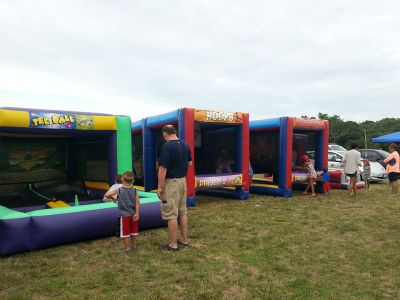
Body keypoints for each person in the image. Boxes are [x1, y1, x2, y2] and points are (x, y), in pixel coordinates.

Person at [157, 125, 192, 251]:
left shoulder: (167, 146)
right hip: (183, 181)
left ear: (165, 133)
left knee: (171, 213)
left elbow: (162, 169)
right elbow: (190, 163)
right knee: (182, 212)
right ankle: (184, 239)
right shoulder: (184, 144)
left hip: (171, 183)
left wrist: (160, 187)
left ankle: (173, 244)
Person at [104, 171, 140, 252]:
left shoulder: (119, 190)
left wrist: (113, 198)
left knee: (125, 233)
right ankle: (134, 246)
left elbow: (106, 195)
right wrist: (137, 213)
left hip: (124, 216)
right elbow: (137, 202)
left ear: (122, 180)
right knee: (133, 231)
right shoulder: (135, 190)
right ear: (133, 181)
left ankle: (126, 248)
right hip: (134, 214)